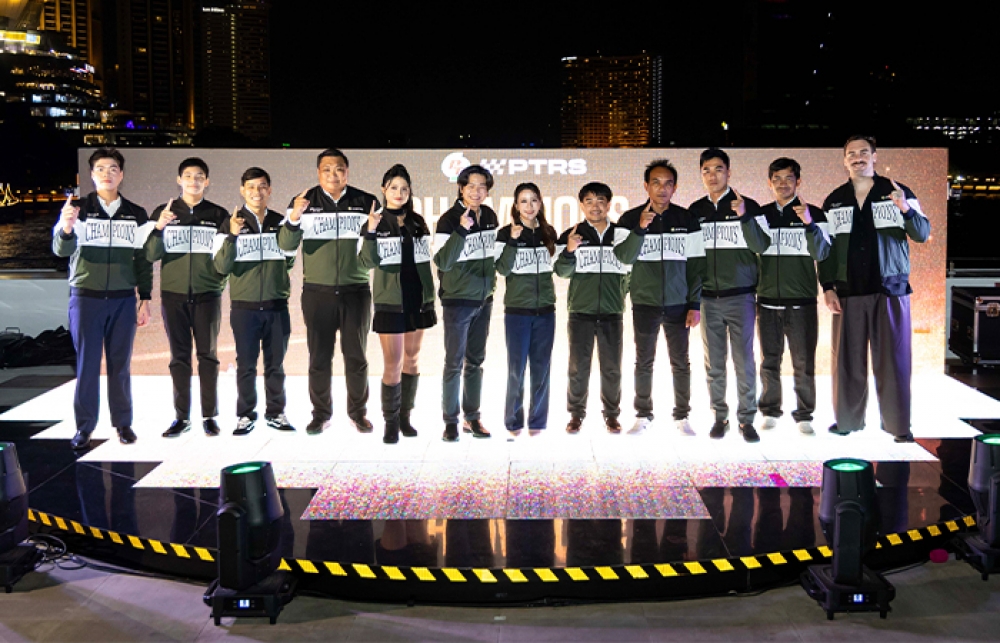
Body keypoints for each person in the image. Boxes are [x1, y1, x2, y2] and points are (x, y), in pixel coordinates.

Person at [819, 136, 930, 443]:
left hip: (890, 290)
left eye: (863, 152)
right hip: (847, 292)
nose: (858, 158)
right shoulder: (834, 200)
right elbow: (825, 250)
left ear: (875, 156)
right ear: (845, 160)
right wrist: (827, 286)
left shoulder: (897, 191)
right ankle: (847, 421)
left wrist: (905, 208)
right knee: (847, 362)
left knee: (894, 361)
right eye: (851, 154)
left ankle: (898, 426)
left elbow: (922, 233)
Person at [53, 147, 154, 449]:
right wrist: (67, 227)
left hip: (123, 299)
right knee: (87, 365)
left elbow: (143, 259)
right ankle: (84, 427)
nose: (107, 174)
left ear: (121, 175)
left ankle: (123, 424)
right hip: (86, 298)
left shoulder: (136, 213)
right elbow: (61, 250)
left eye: (113, 169)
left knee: (120, 365)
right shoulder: (78, 209)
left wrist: (145, 298)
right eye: (100, 169)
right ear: (91, 174)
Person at [278, 149, 378, 435]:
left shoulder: (366, 202)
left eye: (339, 169)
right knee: (319, 358)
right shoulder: (303, 201)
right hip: (317, 293)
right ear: (318, 172)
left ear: (347, 171)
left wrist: (371, 231)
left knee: (356, 357)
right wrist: (294, 217)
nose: (333, 175)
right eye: (327, 170)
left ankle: (358, 413)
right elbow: (285, 246)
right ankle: (321, 414)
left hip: (356, 291)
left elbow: (373, 257)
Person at [741, 157, 831, 435]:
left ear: (798, 181)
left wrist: (809, 223)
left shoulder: (815, 214)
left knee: (803, 362)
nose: (782, 184)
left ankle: (804, 414)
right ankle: (770, 410)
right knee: (769, 360)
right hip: (767, 301)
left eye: (788, 178)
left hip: (802, 303)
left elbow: (822, 253)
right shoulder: (761, 215)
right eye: (776, 179)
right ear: (769, 183)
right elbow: (754, 249)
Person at [616, 160, 704, 436]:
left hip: (679, 304)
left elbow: (696, 265)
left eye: (668, 183)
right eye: (656, 182)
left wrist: (695, 304)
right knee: (644, 361)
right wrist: (640, 229)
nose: (662, 188)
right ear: (646, 186)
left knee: (681, 362)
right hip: (645, 303)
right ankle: (643, 415)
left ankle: (682, 416)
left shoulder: (686, 219)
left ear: (675, 187)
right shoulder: (629, 219)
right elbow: (623, 257)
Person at [145, 158, 230, 438]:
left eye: (199, 176)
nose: (194, 181)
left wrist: (216, 283)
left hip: (207, 296)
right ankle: (181, 418)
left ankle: (209, 416)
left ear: (207, 181)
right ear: (179, 180)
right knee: (179, 357)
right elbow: (150, 254)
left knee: (208, 356)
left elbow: (225, 258)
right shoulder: (164, 212)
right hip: (174, 296)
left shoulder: (218, 214)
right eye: (188, 176)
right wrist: (158, 227)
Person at [214, 167, 296, 435]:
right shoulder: (229, 223)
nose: (256, 192)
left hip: (276, 306)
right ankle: (245, 415)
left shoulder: (280, 222)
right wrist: (233, 235)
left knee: (276, 365)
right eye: (250, 187)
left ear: (269, 190)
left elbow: (289, 259)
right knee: (246, 365)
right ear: (242, 191)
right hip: (244, 308)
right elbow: (221, 266)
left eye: (262, 186)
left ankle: (276, 413)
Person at [688, 148, 762, 443]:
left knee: (744, 362)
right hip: (708, 300)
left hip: (741, 297)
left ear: (728, 172)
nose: (712, 175)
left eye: (718, 169)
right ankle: (720, 417)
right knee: (714, 364)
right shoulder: (695, 211)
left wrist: (745, 217)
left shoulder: (749, 205)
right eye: (706, 170)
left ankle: (747, 419)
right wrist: (693, 300)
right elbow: (693, 260)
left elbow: (762, 245)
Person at [359, 164, 436, 444]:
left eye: (404, 188)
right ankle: (390, 423)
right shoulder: (376, 221)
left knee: (412, 359)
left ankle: (405, 418)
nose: (399, 193)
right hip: (391, 301)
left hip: (418, 298)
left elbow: (424, 261)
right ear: (384, 189)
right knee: (393, 363)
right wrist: (370, 231)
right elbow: (366, 262)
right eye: (394, 188)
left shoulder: (417, 221)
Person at [555, 182, 635, 434]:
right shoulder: (571, 234)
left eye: (600, 201)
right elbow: (561, 271)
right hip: (581, 312)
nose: (595, 206)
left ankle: (611, 415)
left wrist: (619, 293)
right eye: (589, 201)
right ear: (581, 205)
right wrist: (569, 251)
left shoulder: (622, 234)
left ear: (609, 204)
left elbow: (631, 270)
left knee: (612, 368)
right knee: (578, 368)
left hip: (612, 312)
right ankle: (576, 414)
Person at [433, 165, 499, 442]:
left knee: (475, 362)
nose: (476, 191)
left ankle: (472, 417)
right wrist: (461, 230)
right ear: (461, 188)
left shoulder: (490, 216)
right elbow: (442, 262)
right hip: (458, 302)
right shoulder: (448, 220)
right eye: (471, 186)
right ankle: (450, 421)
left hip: (484, 299)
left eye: (482, 186)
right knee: (454, 363)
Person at [494, 183, 558, 437]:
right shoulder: (504, 233)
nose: (529, 206)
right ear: (515, 205)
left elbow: (557, 266)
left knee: (542, 368)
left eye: (533, 200)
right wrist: (513, 240)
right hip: (517, 312)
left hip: (546, 312)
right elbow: (502, 268)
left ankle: (538, 421)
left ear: (540, 203)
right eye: (523, 201)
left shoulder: (548, 233)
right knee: (516, 369)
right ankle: (513, 421)